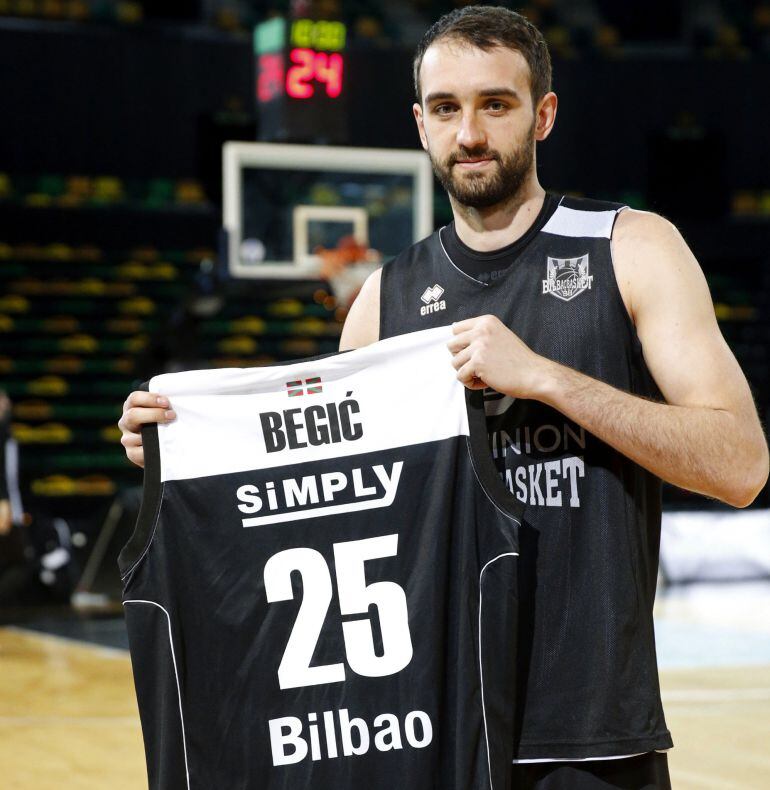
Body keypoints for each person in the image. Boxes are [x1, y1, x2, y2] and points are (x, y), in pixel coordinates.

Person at [119, 6, 769, 788]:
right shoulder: (382, 301)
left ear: (543, 115)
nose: (470, 134)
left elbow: (740, 465)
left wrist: (548, 379)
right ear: (420, 125)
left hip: (589, 738)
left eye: (496, 104)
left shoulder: (631, 248)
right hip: (424, 732)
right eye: (447, 109)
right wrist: (185, 455)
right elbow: (324, 499)